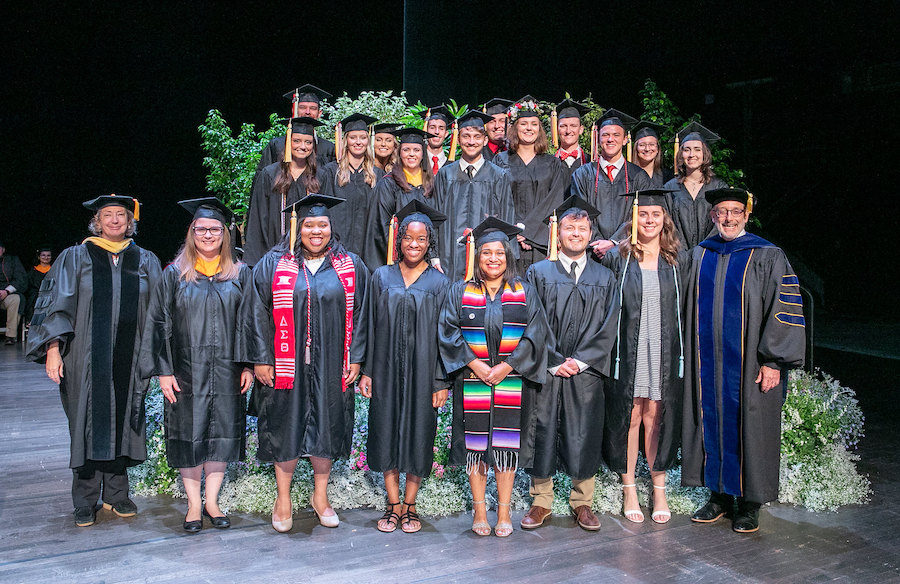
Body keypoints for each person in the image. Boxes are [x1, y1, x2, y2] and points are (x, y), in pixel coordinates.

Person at [26, 195, 162, 527]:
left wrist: (159, 357)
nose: (115, 220)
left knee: (123, 419)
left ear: (130, 222)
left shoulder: (145, 259)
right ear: (96, 222)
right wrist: (53, 349)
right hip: (83, 358)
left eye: (121, 215)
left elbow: (160, 311)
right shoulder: (75, 256)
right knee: (85, 423)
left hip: (129, 359)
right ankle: (85, 499)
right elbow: (55, 304)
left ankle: (116, 494)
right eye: (107, 215)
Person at [239, 194, 369, 532]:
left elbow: (364, 315)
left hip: (332, 363)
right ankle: (283, 499)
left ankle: (320, 497)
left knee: (326, 426)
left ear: (331, 227)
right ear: (297, 227)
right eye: (309, 224)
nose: (316, 231)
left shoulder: (350, 265)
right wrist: (261, 359)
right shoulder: (275, 262)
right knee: (286, 426)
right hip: (286, 363)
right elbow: (256, 312)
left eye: (322, 225)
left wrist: (357, 358)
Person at [682, 188, 806, 534]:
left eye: (736, 211)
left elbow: (785, 308)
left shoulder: (767, 255)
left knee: (751, 427)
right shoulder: (700, 255)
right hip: (708, 363)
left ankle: (750, 503)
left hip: (752, 366)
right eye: (721, 212)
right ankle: (719, 497)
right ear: (712, 216)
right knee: (712, 423)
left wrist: (774, 361)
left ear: (746, 215)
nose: (728, 218)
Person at [138, 198, 253, 533]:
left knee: (220, 434)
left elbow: (249, 323)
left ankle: (212, 502)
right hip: (186, 370)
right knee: (189, 434)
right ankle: (192, 505)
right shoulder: (174, 274)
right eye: (201, 229)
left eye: (215, 229)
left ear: (224, 234)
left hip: (228, 370)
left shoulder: (239, 273)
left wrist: (247, 366)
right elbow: (158, 323)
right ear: (192, 232)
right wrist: (163, 370)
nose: (208, 234)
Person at [439, 217, 549, 537]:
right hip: (473, 379)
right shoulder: (460, 291)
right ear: (477, 256)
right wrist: (475, 364)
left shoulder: (524, 291)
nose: (493, 259)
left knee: (505, 447)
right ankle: (479, 513)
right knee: (476, 449)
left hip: (510, 380)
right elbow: (448, 333)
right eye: (486, 253)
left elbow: (536, 334)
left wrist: (508, 366)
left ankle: (503, 513)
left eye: (499, 253)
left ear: (509, 256)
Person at [522, 195, 618, 532]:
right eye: (569, 227)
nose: (576, 233)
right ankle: (541, 501)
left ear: (591, 233)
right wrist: (552, 359)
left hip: (586, 372)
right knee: (543, 430)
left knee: (585, 433)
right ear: (558, 232)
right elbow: (531, 322)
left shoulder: (604, 278)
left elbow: (609, 326)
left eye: (582, 228)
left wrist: (581, 361)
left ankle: (582, 503)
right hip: (548, 370)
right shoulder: (538, 272)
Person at [359, 200, 450, 534]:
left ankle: (411, 505)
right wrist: (367, 369)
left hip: (425, 373)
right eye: (409, 238)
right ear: (399, 240)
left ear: (429, 243)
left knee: (418, 433)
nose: (414, 244)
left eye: (421, 239)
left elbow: (446, 336)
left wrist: (441, 380)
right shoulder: (380, 277)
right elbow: (367, 324)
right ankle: (393, 503)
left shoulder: (441, 283)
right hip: (384, 369)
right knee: (385, 431)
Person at [601, 190, 686, 525]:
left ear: (665, 219)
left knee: (656, 414)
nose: (649, 221)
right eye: (643, 215)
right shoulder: (618, 259)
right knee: (631, 413)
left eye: (656, 215)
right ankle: (629, 486)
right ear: (633, 218)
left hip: (663, 347)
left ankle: (659, 487)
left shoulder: (678, 260)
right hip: (629, 348)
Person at [431, 111, 516, 281]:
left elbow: (507, 217)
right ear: (458, 139)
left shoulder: (499, 176)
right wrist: (434, 255)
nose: (471, 142)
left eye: (477, 137)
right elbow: (435, 217)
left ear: (485, 140)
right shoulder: (445, 175)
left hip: (487, 258)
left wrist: (508, 257)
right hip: (449, 257)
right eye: (466, 136)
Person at [494, 96, 566, 271]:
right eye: (524, 123)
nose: (529, 128)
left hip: (541, 243)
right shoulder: (500, 161)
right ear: (515, 127)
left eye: (534, 124)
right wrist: (514, 230)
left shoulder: (552, 163)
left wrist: (527, 231)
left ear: (539, 129)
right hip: (509, 241)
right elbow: (496, 200)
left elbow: (554, 200)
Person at [244, 116, 325, 266]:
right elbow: (258, 216)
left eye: (308, 142)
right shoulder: (270, 174)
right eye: (297, 141)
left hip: (310, 257)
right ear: (288, 142)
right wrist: (259, 260)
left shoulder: (320, 176)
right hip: (274, 254)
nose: (303, 146)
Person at [570, 109, 652, 257]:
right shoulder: (582, 175)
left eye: (616, 135)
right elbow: (580, 213)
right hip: (591, 253)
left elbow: (642, 214)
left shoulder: (639, 176)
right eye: (605, 135)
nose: (610, 139)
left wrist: (614, 242)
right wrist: (598, 242)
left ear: (625, 139)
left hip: (627, 252)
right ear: (598, 138)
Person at [363, 127, 435, 270]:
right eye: (406, 149)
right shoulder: (388, 184)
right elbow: (380, 226)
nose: (411, 154)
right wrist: (402, 256)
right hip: (397, 261)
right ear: (399, 153)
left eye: (416, 150)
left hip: (427, 261)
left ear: (423, 154)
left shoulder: (432, 184)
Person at [322, 113, 384, 257]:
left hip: (368, 249)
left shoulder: (377, 175)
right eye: (352, 137)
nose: (358, 142)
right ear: (346, 141)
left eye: (362, 138)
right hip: (335, 247)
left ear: (368, 142)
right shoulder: (330, 172)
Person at [663, 122, 729, 250]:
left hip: (712, 252)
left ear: (705, 154)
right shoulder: (670, 188)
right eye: (687, 150)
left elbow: (723, 222)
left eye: (697, 149)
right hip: (679, 255)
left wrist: (704, 248)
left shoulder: (718, 187)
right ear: (681, 154)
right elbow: (667, 224)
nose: (691, 154)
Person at [256, 84, 336, 170]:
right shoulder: (276, 145)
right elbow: (262, 178)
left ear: (319, 113)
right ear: (294, 110)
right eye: (302, 107)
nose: (307, 112)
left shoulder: (329, 148)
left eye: (313, 108)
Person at [554, 99, 591, 191]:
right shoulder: (548, 163)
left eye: (573, 126)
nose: (568, 131)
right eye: (563, 126)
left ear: (581, 129)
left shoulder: (591, 162)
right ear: (557, 130)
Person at [630, 121, 673, 188]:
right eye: (642, 145)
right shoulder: (627, 176)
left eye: (652, 144)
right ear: (636, 148)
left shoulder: (667, 177)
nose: (647, 149)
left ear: (658, 148)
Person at [0, 240, 27, 344]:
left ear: (3, 250)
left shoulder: (12, 261)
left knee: (16, 299)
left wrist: (7, 291)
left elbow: (20, 279)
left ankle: (10, 336)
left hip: (6, 294)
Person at [24, 245, 53, 328]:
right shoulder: (33, 270)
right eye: (43, 255)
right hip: (36, 294)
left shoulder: (54, 270)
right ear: (39, 257)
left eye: (48, 255)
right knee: (33, 297)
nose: (46, 257)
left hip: (50, 293)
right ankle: (31, 320)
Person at [420, 105, 452, 175]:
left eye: (441, 128)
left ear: (446, 133)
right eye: (432, 127)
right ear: (425, 130)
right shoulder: (417, 163)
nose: (436, 132)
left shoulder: (453, 167)